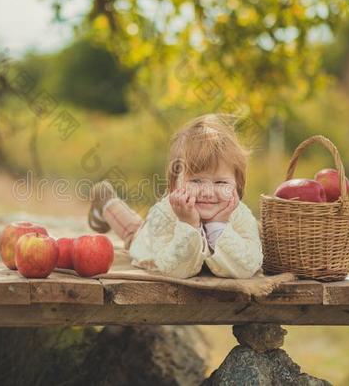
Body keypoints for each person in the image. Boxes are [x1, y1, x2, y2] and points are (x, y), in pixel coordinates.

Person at [87, 113, 263, 279]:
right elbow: (176, 269)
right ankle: (106, 201)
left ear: (237, 186)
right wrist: (188, 225)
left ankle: (107, 200)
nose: (208, 192)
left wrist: (219, 226)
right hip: (150, 241)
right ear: (173, 185)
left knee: (135, 226)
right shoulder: (165, 213)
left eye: (220, 183)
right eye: (196, 181)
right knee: (133, 233)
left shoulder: (240, 215)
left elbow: (248, 266)